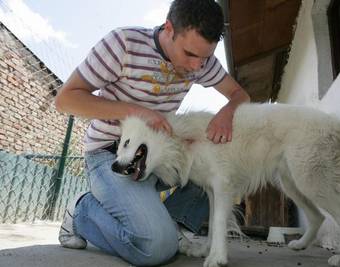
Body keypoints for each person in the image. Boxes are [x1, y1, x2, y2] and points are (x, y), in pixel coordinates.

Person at [54, 0, 250, 265]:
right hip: (111, 155)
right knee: (156, 249)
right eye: (190, 54)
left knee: (218, 162)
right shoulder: (123, 43)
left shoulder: (202, 61)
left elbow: (240, 95)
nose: (196, 66)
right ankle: (82, 213)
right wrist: (137, 112)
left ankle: (175, 226)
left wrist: (227, 113)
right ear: (169, 28)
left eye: (204, 58)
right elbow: (65, 100)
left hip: (163, 156)